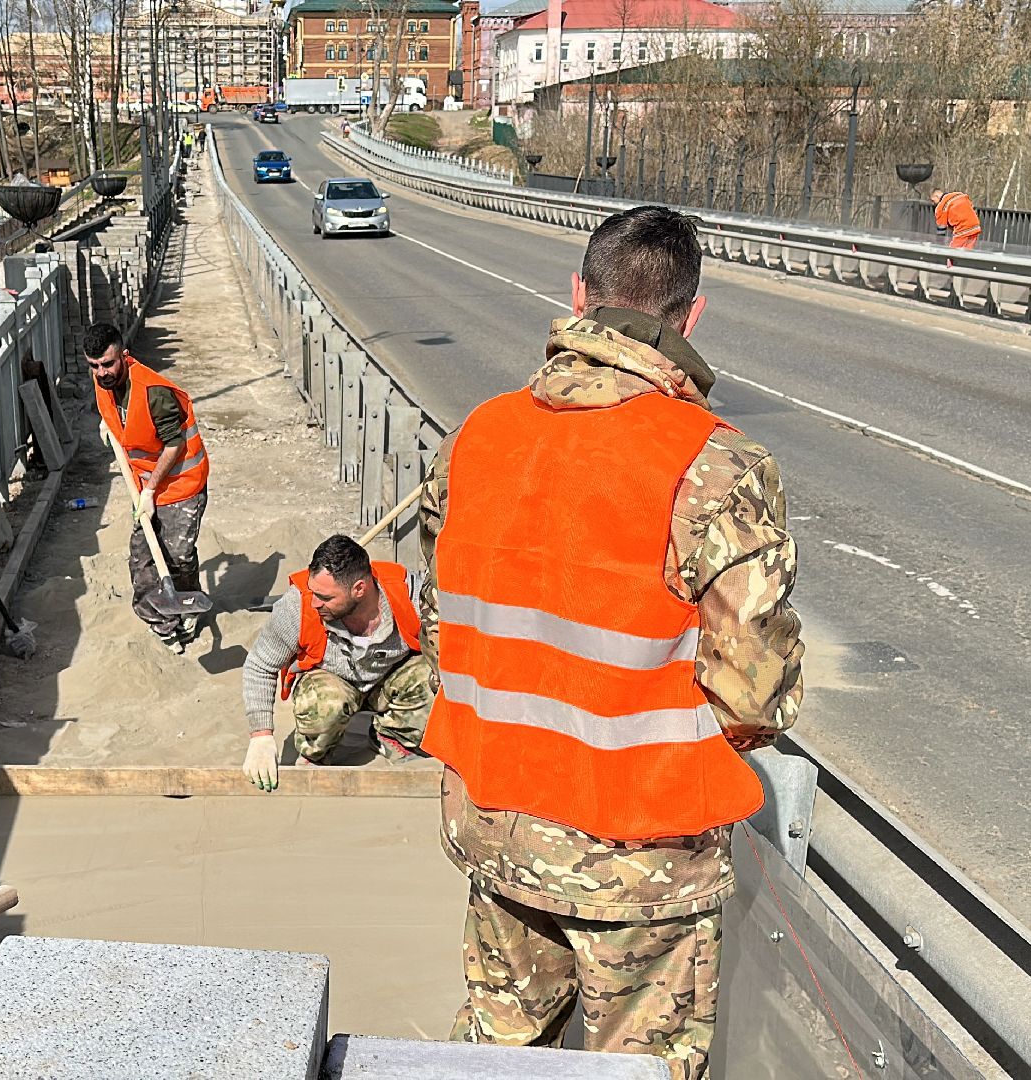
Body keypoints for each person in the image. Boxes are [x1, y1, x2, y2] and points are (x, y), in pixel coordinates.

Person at [418, 205, 802, 1078]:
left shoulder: (478, 437)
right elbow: (754, 690)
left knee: (495, 1058)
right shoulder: (713, 465)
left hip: (497, 824)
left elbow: (447, 625)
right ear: (691, 316)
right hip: (641, 858)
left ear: (578, 296)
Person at [240, 535, 436, 790]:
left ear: (359, 589)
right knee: (324, 704)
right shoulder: (298, 606)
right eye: (313, 592)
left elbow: (452, 640)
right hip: (331, 681)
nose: (314, 602)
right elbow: (259, 665)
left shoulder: (407, 594)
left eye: (325, 597)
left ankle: (392, 736)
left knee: (433, 678)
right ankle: (317, 753)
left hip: (389, 679)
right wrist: (261, 736)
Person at [84, 322, 210, 649]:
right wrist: (109, 423)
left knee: (178, 555)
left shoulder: (154, 393)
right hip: (143, 484)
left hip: (181, 484)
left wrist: (151, 490)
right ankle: (161, 623)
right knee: (142, 558)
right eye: (94, 366)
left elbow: (174, 445)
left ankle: (187, 606)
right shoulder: (102, 379)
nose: (102, 372)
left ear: (124, 355)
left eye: (108, 364)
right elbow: (117, 411)